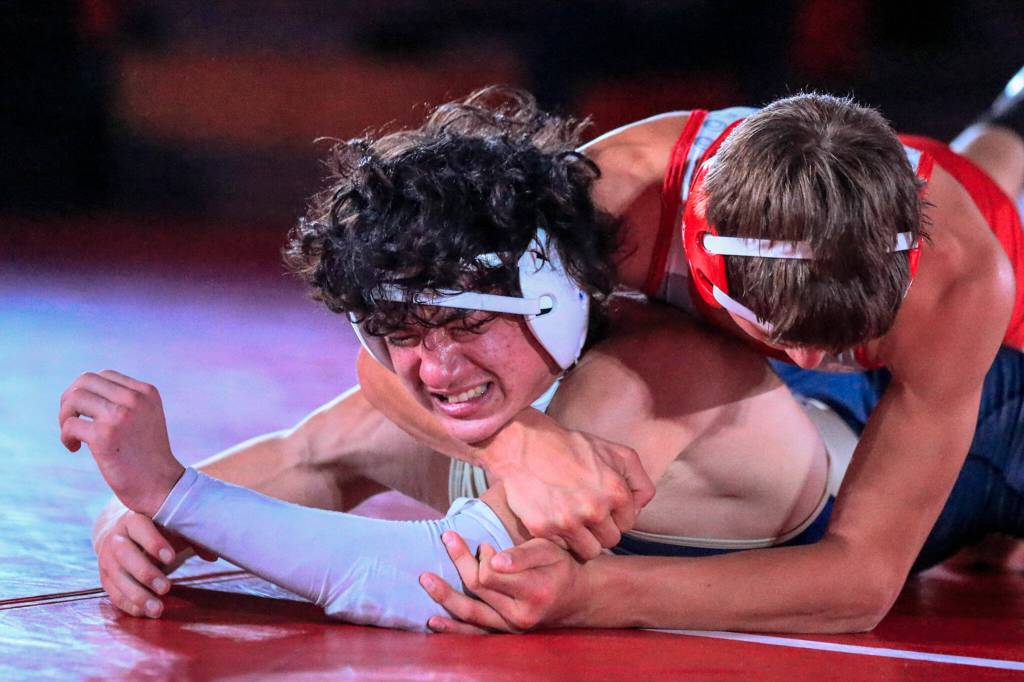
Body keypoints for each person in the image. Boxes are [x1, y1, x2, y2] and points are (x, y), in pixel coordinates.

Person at [69, 93, 846, 628]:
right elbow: (305, 458)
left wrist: (175, 495)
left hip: (859, 429)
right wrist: (129, 516)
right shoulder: (465, 396)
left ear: (555, 299)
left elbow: (418, 585)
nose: (437, 372)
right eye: (399, 332)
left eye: (470, 324)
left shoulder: (650, 374)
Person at [360, 73, 1024, 633]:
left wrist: (597, 593)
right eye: (779, 329)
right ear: (700, 255)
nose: (809, 358)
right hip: (831, 197)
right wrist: (517, 445)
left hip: (978, 332)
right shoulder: (615, 200)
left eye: (838, 337)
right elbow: (383, 344)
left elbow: (863, 580)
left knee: (982, 184)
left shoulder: (957, 278)